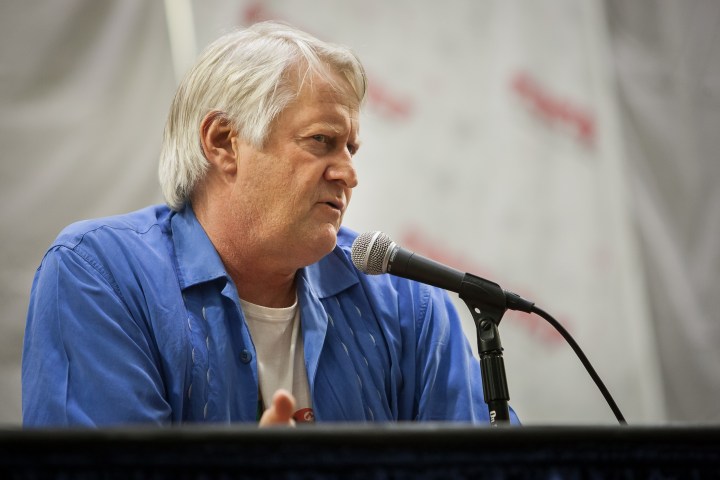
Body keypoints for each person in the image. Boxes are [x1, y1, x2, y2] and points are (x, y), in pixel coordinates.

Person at [22, 21, 518, 426]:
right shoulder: (101, 276)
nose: (348, 173)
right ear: (223, 142)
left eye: (351, 148)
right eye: (321, 141)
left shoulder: (407, 301)